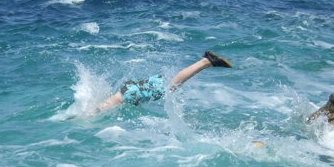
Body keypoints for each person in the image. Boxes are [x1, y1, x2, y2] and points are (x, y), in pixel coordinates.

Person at [95, 51, 233, 113]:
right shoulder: (97, 105)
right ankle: (205, 61)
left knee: (172, 86)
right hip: (129, 90)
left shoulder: (94, 112)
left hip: (131, 94)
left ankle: (206, 61)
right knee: (171, 84)